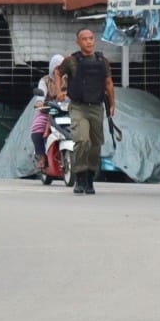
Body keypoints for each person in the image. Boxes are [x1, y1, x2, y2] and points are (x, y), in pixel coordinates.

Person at [58, 28, 115, 196]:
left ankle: (90, 178)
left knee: (95, 145)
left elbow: (109, 83)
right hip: (78, 107)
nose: (89, 42)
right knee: (82, 140)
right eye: (85, 39)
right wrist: (60, 90)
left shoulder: (102, 61)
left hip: (97, 107)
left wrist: (112, 104)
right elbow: (58, 71)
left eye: (91, 38)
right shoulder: (72, 60)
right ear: (78, 42)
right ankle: (80, 176)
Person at [31, 54, 65, 171]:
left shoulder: (68, 80)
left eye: (62, 67)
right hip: (48, 111)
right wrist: (40, 102)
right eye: (57, 67)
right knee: (37, 128)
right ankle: (41, 156)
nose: (59, 70)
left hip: (65, 111)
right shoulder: (44, 80)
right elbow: (41, 95)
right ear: (52, 67)